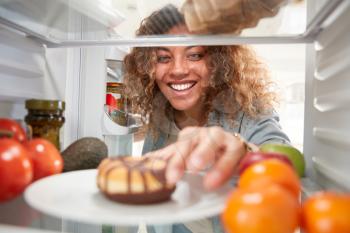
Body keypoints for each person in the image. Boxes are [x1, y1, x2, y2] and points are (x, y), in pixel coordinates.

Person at [123, 4, 290, 233]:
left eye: (194, 55)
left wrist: (244, 153)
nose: (178, 69)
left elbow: (285, 166)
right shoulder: (160, 120)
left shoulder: (250, 110)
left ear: (219, 61)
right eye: (163, 57)